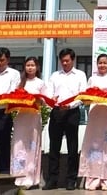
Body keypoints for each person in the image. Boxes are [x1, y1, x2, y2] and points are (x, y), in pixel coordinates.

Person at [44, 48, 87, 191]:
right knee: (54, 147)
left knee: (72, 147)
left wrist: (70, 105)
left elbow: (82, 95)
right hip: (56, 112)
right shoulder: (55, 75)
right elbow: (49, 92)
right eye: (62, 61)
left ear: (73, 60)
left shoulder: (80, 75)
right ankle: (52, 179)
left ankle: (71, 179)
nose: (64, 63)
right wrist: (52, 100)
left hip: (72, 112)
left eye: (67, 60)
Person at [79, 54, 107, 190]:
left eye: (105, 63)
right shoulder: (92, 79)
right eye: (100, 63)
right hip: (95, 113)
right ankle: (92, 179)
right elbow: (85, 97)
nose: (102, 65)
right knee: (94, 144)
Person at [12, 57, 47, 189]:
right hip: (21, 117)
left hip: (34, 117)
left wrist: (38, 99)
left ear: (37, 67)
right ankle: (17, 177)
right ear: (24, 67)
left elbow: (45, 100)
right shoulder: (20, 83)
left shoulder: (41, 83)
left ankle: (30, 178)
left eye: (33, 65)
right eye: (28, 65)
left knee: (32, 146)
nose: (30, 68)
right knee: (19, 146)